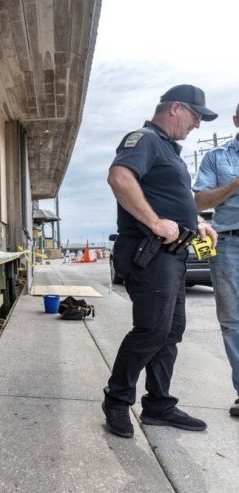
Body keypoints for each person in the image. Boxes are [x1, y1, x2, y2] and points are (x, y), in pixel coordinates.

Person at [102, 84, 218, 438]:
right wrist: (154, 222)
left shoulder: (169, 150)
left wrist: (195, 222)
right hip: (148, 251)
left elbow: (172, 199)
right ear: (175, 108)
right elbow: (119, 176)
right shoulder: (145, 138)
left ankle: (159, 406)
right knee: (152, 330)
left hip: (174, 254)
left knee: (170, 332)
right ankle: (117, 401)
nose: (197, 124)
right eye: (196, 116)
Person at [193, 103, 239, 418]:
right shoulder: (217, 158)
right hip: (229, 243)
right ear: (237, 120)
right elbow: (200, 199)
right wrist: (235, 184)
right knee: (233, 321)